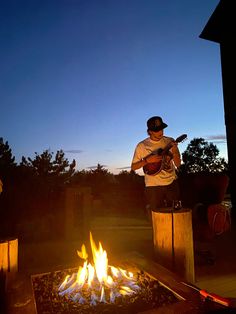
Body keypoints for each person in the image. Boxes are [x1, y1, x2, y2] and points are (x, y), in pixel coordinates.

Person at [131, 116, 182, 219]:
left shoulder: (170, 141)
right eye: (156, 130)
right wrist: (146, 161)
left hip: (171, 184)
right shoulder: (142, 146)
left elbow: (178, 164)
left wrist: (175, 149)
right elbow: (133, 167)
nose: (160, 132)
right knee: (156, 217)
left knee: (177, 215)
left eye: (162, 129)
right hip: (153, 187)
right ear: (149, 131)